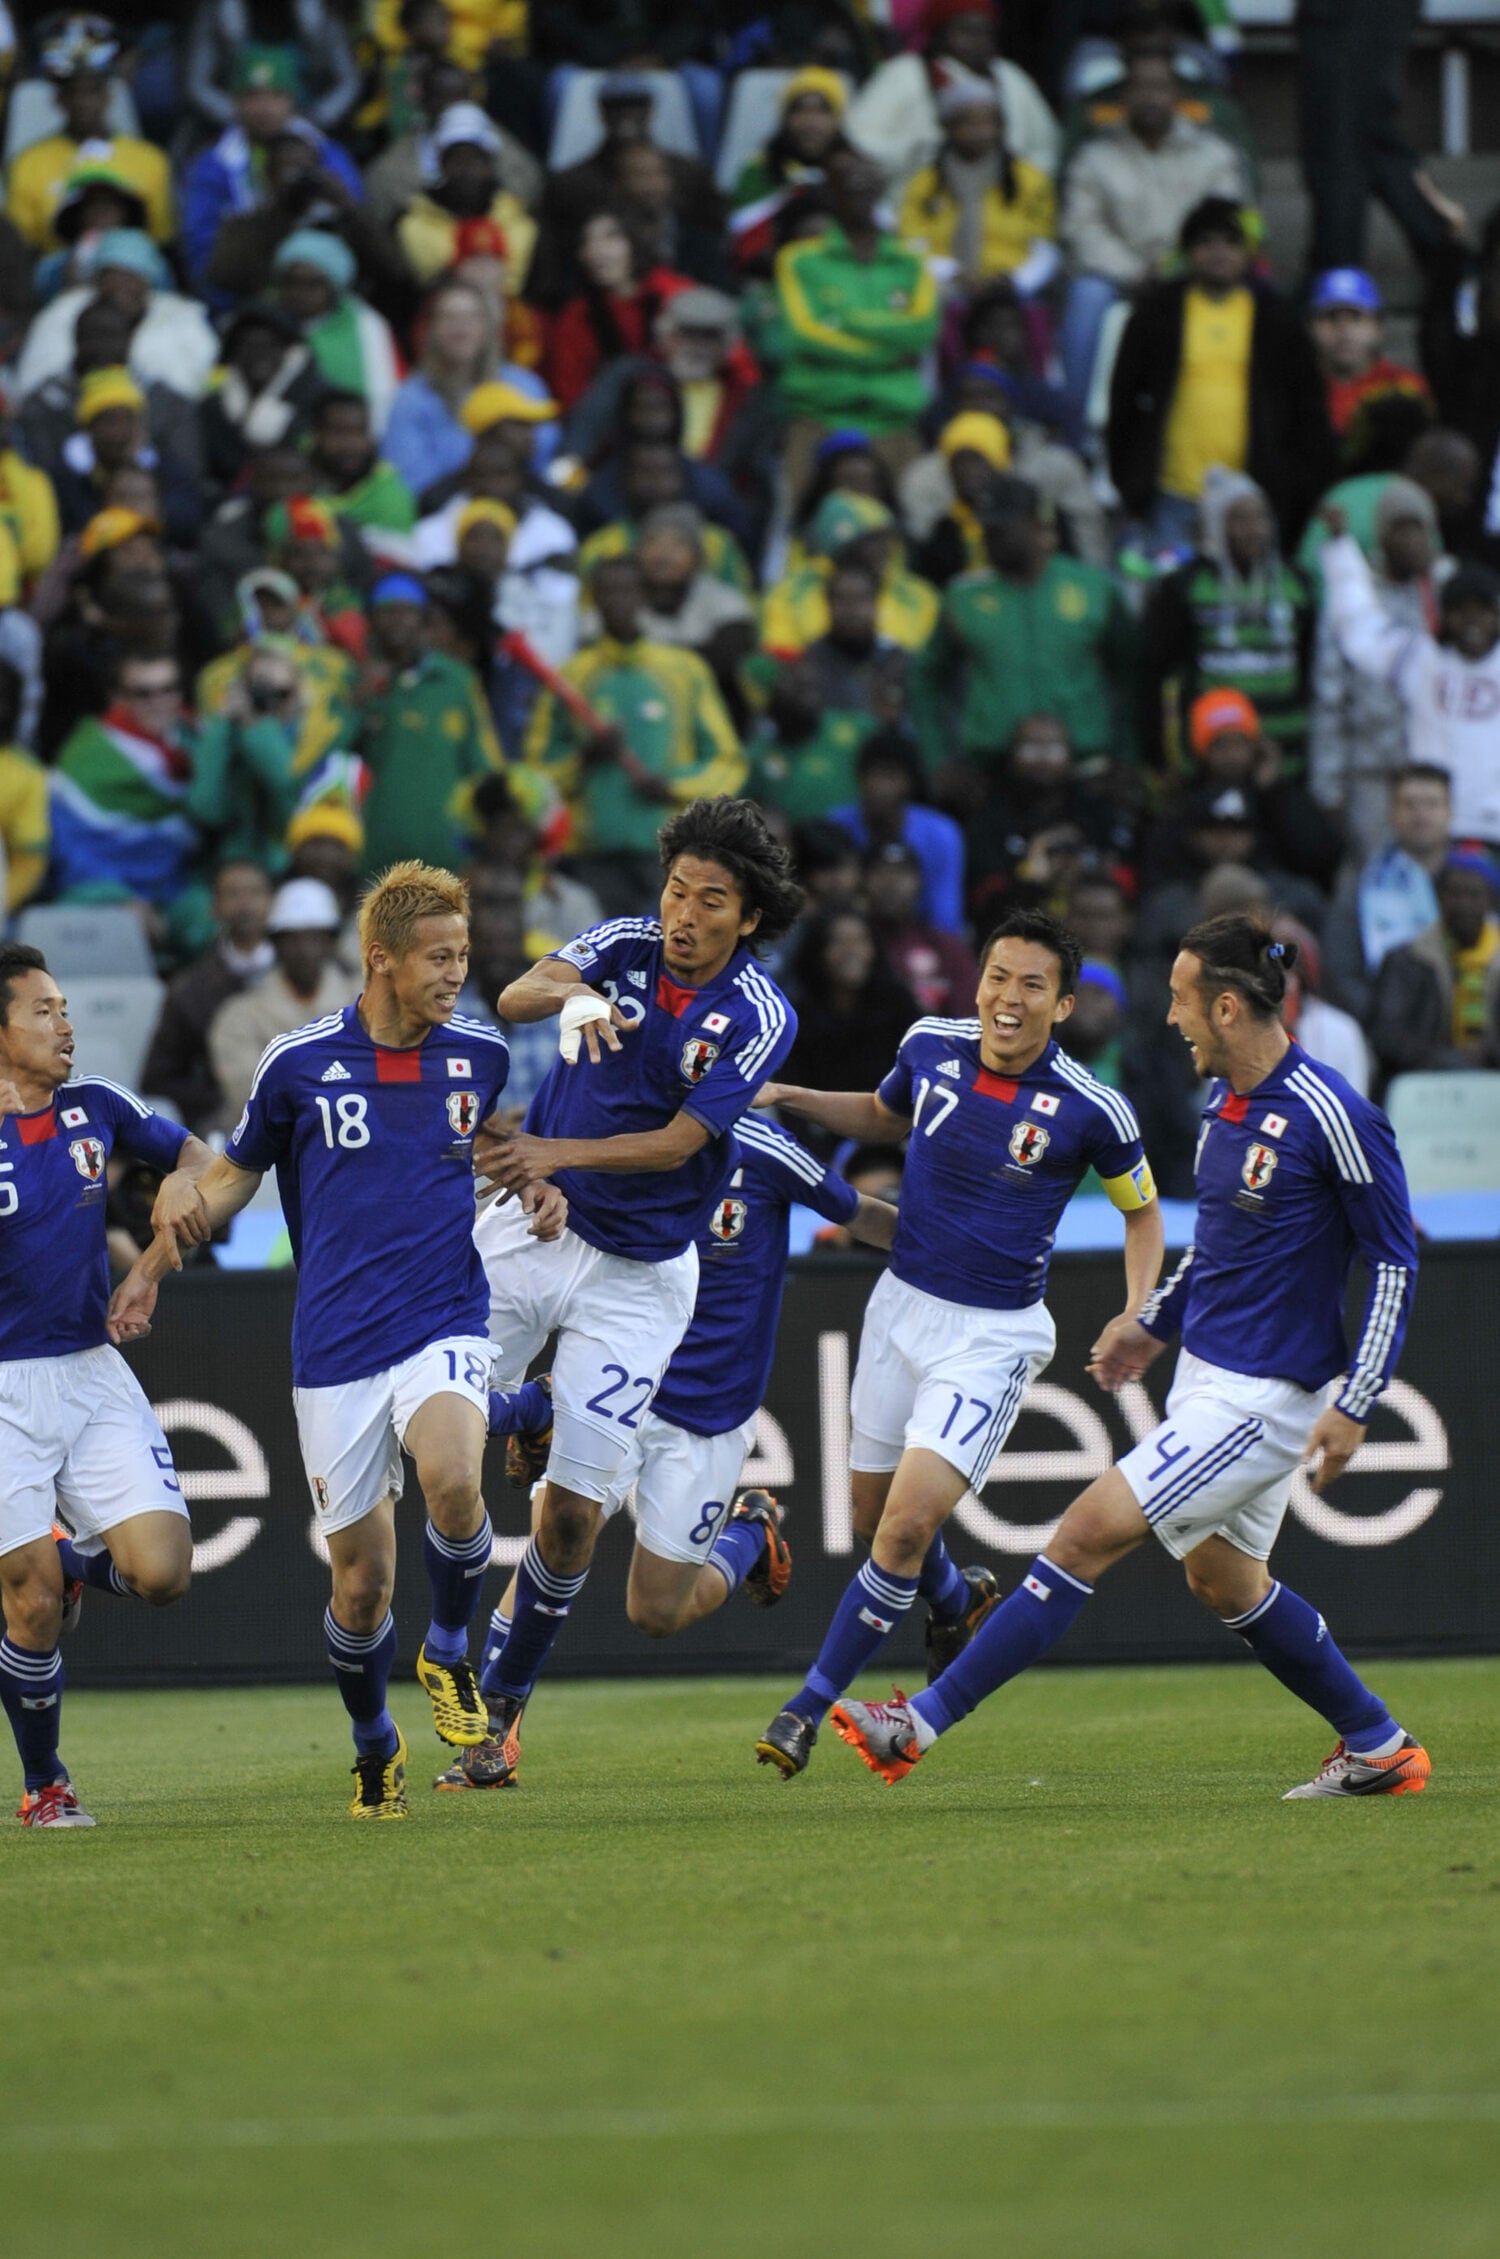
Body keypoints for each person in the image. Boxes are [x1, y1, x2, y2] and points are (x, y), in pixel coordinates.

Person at [832, 913, 1430, 1803]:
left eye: (1183, 1001)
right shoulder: (1223, 1108)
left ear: (1228, 1007)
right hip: (1207, 1379)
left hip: (1262, 1399)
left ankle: (915, 1723)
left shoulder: (1333, 1113)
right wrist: (1152, 1319)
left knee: (1080, 1535)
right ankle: (1379, 1743)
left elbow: (1394, 1257)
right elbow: (1218, 1250)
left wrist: (1357, 1398)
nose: (1170, 1019)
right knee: (1225, 1581)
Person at [110, 862, 564, 1819]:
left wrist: (537, 1183)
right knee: (360, 1588)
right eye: (438, 957)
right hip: (335, 1346)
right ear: (381, 960)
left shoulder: (476, 1053)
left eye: (464, 956)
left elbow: (473, 1148)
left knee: (451, 1474)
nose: (456, 974)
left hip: (442, 1314)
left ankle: (447, 1648)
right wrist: (164, 1240)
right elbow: (235, 1174)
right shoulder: (299, 1061)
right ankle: (374, 1743)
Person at [752, 908, 1163, 1778]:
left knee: (900, 1526)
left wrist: (1137, 1307)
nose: (1007, 1000)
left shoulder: (1094, 1108)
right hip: (898, 1307)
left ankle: (806, 1707)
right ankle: (957, 1595)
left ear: (1063, 1004)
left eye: (1031, 986)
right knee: (872, 1520)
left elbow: (1143, 1211)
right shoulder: (932, 1042)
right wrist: (788, 1094)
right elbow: (881, 1115)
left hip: (992, 1336)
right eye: (997, 978)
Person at [460, 798, 801, 1782]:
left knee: (570, 1517)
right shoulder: (626, 941)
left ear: (748, 917)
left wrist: (553, 1151)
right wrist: (572, 997)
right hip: (532, 1228)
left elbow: (683, 1143)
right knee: (427, 1411)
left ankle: (499, 1725)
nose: (685, 913)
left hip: (642, 1280)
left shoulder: (762, 1014)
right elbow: (523, 988)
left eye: (712, 900)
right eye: (676, 890)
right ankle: (534, 1408)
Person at [442, 1110, 897, 1788]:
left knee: (656, 1611)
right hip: (622, 1379)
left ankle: (748, 1536)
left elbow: (858, 1212)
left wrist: (951, 1256)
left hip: (706, 1415)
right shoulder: (600, 1131)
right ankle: (498, 1729)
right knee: (563, 1522)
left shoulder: (764, 1148)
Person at [0, 942, 206, 1827]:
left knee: (163, 1573)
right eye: (43, 1010)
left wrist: (160, 1242)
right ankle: (47, 1782)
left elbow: (203, 1160)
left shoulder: (98, 1107)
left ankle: (80, 1566)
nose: (66, 1024)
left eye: (66, 1008)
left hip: (89, 1371)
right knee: (28, 1597)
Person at [523, 554, 746, 916]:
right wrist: (585, 759)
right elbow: (535, 777)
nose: (617, 601)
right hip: (591, 858)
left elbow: (728, 761)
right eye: (607, 592)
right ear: (593, 601)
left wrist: (673, 786)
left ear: (642, 596)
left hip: (670, 856)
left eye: (627, 591)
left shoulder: (685, 670)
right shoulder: (570, 678)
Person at [1107, 199, 1332, 550]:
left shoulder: (1278, 320)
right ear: (1188, 250)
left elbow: (1308, 407)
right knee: (1170, 598)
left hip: (1253, 503)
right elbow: (1123, 400)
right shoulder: (1155, 314)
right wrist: (1131, 482)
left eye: (1232, 242)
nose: (1219, 252)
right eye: (1206, 241)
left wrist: (1292, 482)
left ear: (1248, 253)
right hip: (1171, 494)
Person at [1058, 35, 1247, 427]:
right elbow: (1081, 228)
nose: (1150, 98)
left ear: (1176, 93)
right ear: (1124, 93)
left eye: (1160, 87)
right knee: (1084, 298)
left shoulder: (1213, 155)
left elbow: (1228, 222)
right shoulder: (1095, 157)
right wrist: (1134, 271)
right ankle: (1075, 429)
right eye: (1139, 87)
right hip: (1119, 277)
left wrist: (1179, 266)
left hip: (1193, 271)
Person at [915, 478, 1139, 778]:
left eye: (1002, 528)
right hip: (992, 772)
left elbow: (1132, 673)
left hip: (1085, 767)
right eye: (986, 529)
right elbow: (924, 677)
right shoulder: (963, 596)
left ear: (1035, 525)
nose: (989, 538)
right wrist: (939, 760)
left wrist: (1127, 758)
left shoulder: (1094, 588)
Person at [1320, 502, 1500, 847]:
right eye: (1461, 612)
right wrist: (1341, 549)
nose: (1472, 621)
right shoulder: (1420, 660)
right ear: (1445, 618)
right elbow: (1359, 628)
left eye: (1483, 611)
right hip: (1433, 831)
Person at [773, 150, 941, 507]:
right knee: (802, 528)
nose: (859, 197)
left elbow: (922, 331)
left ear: (880, 191)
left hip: (893, 421)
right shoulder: (800, 259)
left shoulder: (911, 261)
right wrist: (890, 352)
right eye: (849, 188)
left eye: (868, 188)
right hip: (819, 418)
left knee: (910, 531)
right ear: (831, 195)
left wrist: (844, 320)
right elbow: (805, 335)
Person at [1308, 478, 1447, 859]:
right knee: (1374, 870)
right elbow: (1330, 693)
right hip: (1369, 770)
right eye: (1402, 529)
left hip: (1429, 770)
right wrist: (1329, 784)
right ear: (1383, 536)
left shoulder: (1443, 592)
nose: (1414, 541)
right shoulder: (1354, 599)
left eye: (1421, 528)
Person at [1141, 471, 1315, 776]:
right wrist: (1157, 753)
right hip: (1211, 761)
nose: (1255, 530)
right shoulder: (1185, 586)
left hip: (1289, 754)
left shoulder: (1297, 581)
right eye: (1240, 520)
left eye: (1261, 518)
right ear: (1216, 525)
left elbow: (1311, 663)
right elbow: (1156, 672)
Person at [359, 574, 505, 876]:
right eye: (387, 611)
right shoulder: (355, 682)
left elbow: (484, 764)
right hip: (375, 859)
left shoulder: (458, 681)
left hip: (448, 860)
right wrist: (359, 700)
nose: (397, 621)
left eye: (407, 611)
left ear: (424, 622)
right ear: (372, 622)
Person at [7, 22, 173, 254]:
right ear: (58, 99)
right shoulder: (28, 163)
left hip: (136, 277)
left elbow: (161, 244)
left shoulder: (150, 160)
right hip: (57, 280)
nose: (82, 101)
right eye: (72, 91)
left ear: (108, 94)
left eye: (93, 90)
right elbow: (22, 249)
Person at [207, 876, 360, 1121]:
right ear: (276, 945)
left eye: (315, 938)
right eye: (293, 939)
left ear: (331, 943)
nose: (305, 951)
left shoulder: (367, 1002)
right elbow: (249, 1095)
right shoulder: (239, 1016)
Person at [142, 859, 275, 1132]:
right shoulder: (190, 988)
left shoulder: (303, 970)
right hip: (226, 1128)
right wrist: (223, 1097)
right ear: (215, 907)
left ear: (272, 902)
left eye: (254, 893)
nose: (245, 905)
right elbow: (158, 1078)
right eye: (233, 894)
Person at [896, 79, 1058, 299]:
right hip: (942, 286)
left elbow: (1045, 250)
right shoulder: (924, 183)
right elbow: (910, 245)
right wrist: (950, 273)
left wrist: (1016, 280)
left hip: (1012, 286)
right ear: (948, 126)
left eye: (988, 122)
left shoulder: (1030, 180)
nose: (980, 132)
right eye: (969, 123)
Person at [1323, 763, 1451, 1021]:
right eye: (1410, 804)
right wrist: (1381, 1019)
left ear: (1450, 811)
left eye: (1431, 803)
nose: (1420, 814)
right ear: (1392, 812)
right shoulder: (1361, 885)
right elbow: (1342, 970)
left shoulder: (1478, 882)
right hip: (1386, 1029)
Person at [1366, 850, 1500, 1088]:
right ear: (1438, 897)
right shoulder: (1408, 958)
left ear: (1490, 900)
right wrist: (1446, 1060)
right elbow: (1387, 1035)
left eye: (1474, 894)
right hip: (1423, 1084)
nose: (1464, 904)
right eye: (1454, 894)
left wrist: (1489, 1053)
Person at [544, 210, 694, 414]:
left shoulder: (676, 295)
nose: (596, 250)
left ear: (635, 243)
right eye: (587, 241)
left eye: (611, 237)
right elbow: (570, 395)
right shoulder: (576, 316)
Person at [1307, 268, 1433, 477]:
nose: (1343, 330)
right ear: (1310, 327)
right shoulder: (1294, 391)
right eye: (1331, 318)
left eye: (1356, 318)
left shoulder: (1406, 388)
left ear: (1378, 327)